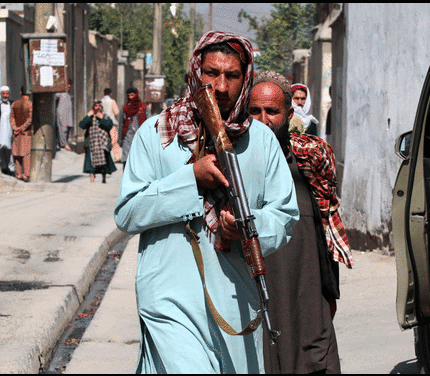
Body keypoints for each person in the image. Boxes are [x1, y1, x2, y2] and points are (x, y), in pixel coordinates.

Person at [114, 31, 299, 374]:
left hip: (234, 299)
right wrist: (190, 180)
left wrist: (246, 227)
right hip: (168, 298)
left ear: (246, 80)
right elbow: (127, 212)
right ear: (195, 72)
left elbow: (285, 216)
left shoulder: (261, 141)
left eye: (232, 76)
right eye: (211, 73)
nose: (221, 87)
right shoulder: (157, 134)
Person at [248, 71, 354, 374]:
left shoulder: (309, 161)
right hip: (261, 297)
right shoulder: (234, 162)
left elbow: (325, 231)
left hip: (307, 297)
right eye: (254, 111)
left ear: (289, 113)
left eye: (272, 111)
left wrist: (330, 291)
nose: (263, 120)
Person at [79, 99, 117, 183]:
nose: (98, 108)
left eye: (99, 106)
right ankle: (92, 179)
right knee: (91, 162)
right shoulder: (90, 117)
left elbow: (109, 125)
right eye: (96, 106)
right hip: (92, 143)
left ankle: (104, 178)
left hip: (103, 143)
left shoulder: (105, 116)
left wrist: (102, 118)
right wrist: (87, 116)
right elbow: (82, 125)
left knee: (104, 163)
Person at [119, 86, 149, 169]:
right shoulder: (125, 108)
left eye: (132, 95)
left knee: (139, 159)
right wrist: (120, 139)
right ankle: (125, 179)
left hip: (140, 137)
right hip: (127, 137)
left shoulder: (144, 108)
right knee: (126, 158)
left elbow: (149, 124)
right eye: (129, 96)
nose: (130, 97)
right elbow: (121, 124)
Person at [10, 87, 32, 182]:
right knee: (26, 154)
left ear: (20, 92)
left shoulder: (14, 103)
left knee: (16, 153)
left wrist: (15, 128)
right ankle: (26, 174)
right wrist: (22, 128)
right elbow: (30, 119)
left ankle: (18, 173)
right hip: (25, 132)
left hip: (16, 133)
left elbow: (11, 118)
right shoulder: (30, 104)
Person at [101, 87, 122, 162]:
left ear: (103, 93)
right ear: (111, 93)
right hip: (112, 123)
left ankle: (103, 157)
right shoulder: (112, 101)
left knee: (103, 140)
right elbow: (116, 112)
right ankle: (117, 157)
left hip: (102, 123)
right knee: (114, 141)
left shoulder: (101, 101)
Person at [0, 86, 14, 176]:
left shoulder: (12, 103)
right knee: (0, 148)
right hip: (0, 130)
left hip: (9, 129)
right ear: (0, 94)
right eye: (3, 93)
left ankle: (11, 168)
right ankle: (3, 167)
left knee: (9, 149)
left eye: (7, 93)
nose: (5, 95)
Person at [55, 78, 73, 151]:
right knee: (62, 128)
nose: (69, 86)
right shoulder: (60, 93)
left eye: (70, 84)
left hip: (68, 114)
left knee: (67, 129)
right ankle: (63, 144)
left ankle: (64, 143)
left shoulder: (68, 94)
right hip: (61, 114)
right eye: (67, 84)